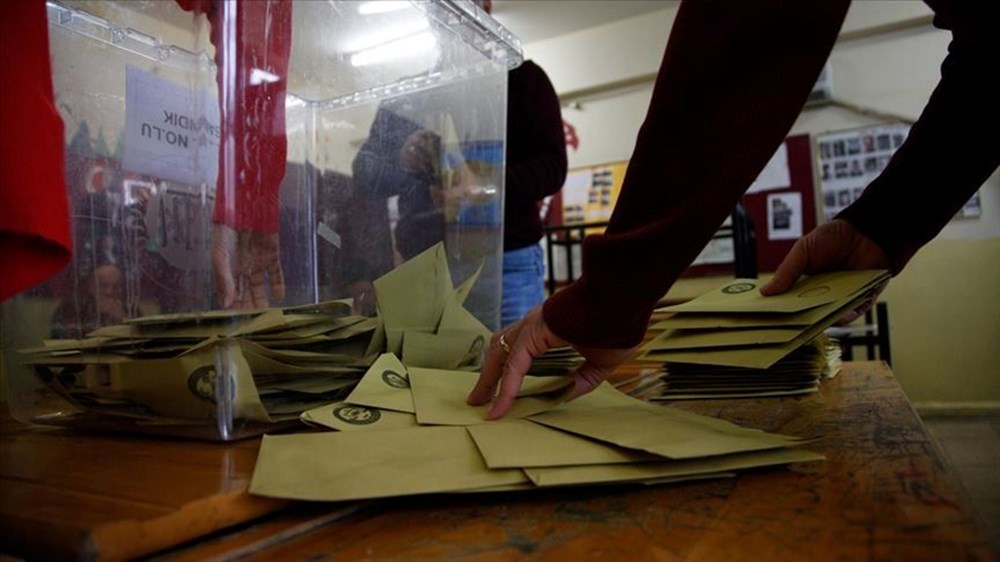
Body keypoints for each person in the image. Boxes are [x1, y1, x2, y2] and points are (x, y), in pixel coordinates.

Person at [469, 0, 1000, 419]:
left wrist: (609, 299)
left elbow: (750, 35)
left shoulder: (526, 81)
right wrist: (884, 224)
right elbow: (988, 66)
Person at [478, 0, 569, 327]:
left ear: (486, 6)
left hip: (509, 257)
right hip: (432, 264)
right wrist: (405, 157)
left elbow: (553, 166)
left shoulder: (523, 79)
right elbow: (366, 171)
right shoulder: (421, 88)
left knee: (516, 370)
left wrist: (486, 184)